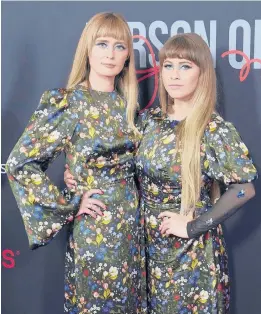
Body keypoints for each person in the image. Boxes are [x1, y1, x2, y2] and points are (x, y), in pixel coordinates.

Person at [6, 12, 146, 314]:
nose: (110, 54)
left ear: (127, 57)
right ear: (87, 49)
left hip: (134, 232)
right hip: (95, 231)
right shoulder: (68, 102)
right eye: (102, 44)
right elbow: (20, 164)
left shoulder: (129, 106)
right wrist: (69, 202)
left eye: (119, 46)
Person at [135, 33, 258, 313]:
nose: (174, 75)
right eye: (168, 65)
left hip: (190, 258)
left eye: (185, 66)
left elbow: (244, 188)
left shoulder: (212, 129)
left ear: (202, 74)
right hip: (145, 253)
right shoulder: (149, 121)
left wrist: (193, 227)